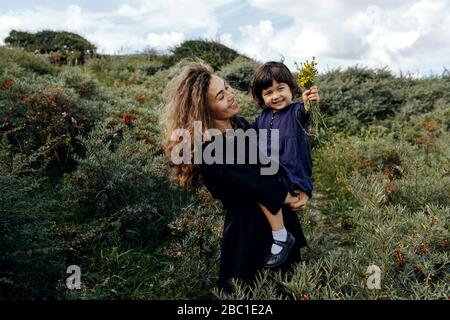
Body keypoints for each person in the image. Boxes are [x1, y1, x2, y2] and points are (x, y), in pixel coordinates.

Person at [162, 60, 315, 294]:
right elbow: (260, 183)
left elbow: (277, 158)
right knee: (254, 292)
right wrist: (293, 197)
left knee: (289, 288)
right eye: (221, 96)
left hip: (280, 220)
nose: (231, 95)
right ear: (206, 110)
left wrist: (301, 188)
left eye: (227, 87)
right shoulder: (211, 150)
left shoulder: (240, 125)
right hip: (252, 234)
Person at [250, 61, 319, 268]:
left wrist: (309, 102)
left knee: (262, 189)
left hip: (291, 176)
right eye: (268, 92)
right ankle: (279, 239)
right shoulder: (262, 118)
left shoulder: (296, 111)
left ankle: (281, 238)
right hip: (275, 175)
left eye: (281, 88)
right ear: (261, 97)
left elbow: (305, 113)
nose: (276, 96)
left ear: (291, 88)